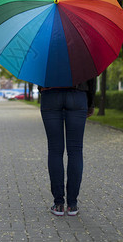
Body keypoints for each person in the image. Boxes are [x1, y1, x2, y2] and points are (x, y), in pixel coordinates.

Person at [39, 78, 96, 216]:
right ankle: (72, 205)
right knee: (75, 150)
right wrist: (91, 102)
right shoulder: (83, 55)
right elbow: (92, 77)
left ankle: (58, 204)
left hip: (50, 94)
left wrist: (41, 88)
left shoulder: (45, 54)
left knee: (55, 150)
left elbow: (37, 71)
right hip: (78, 94)